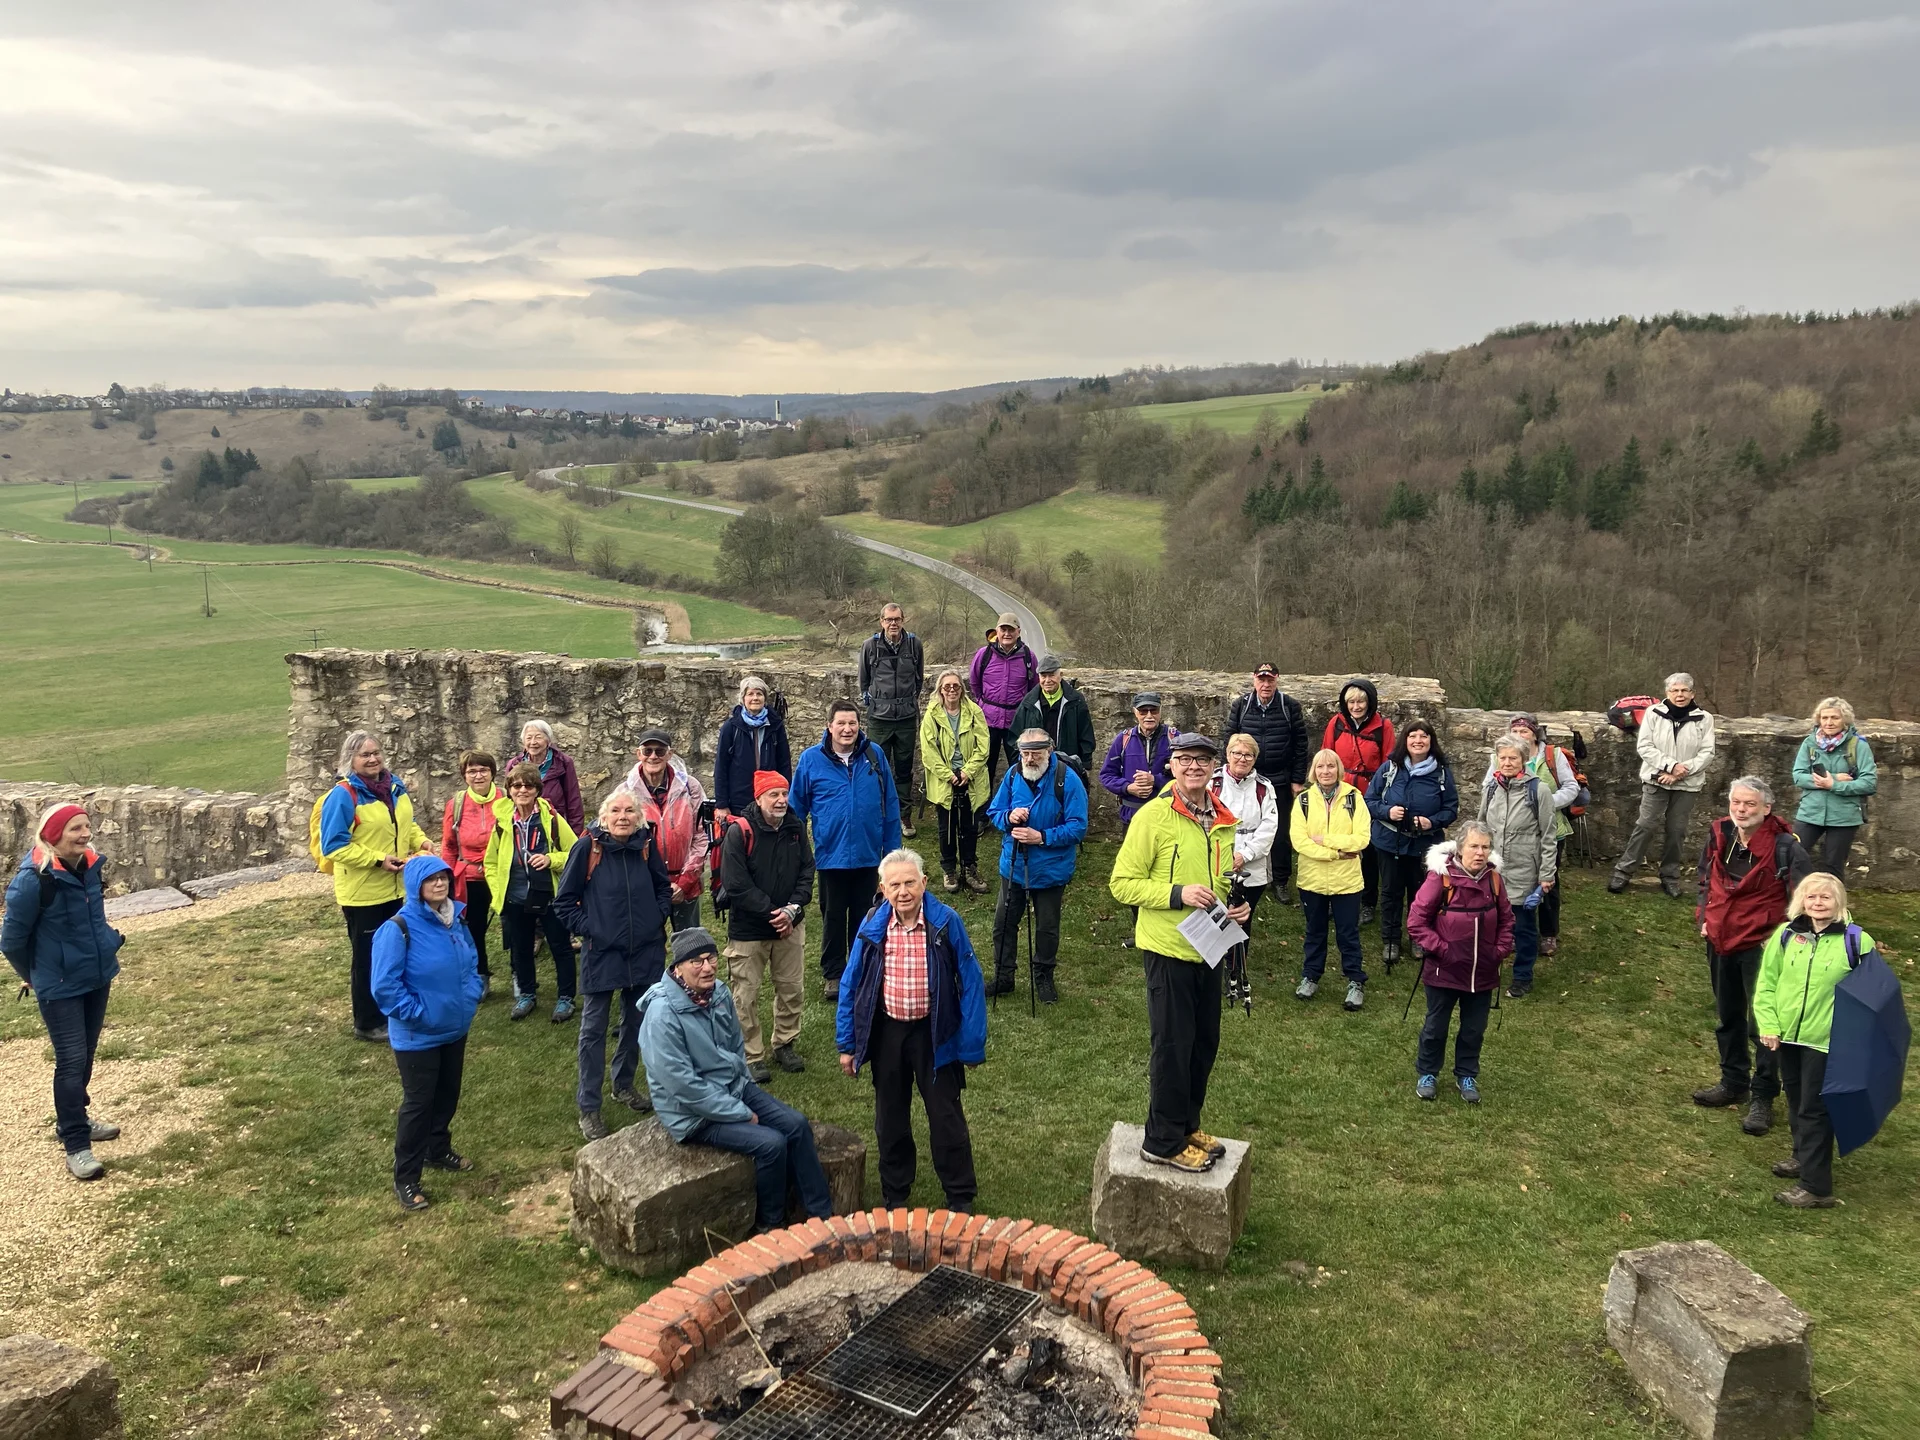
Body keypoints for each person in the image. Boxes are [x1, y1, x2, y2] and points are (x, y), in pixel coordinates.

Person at [1108, 732, 1251, 1173]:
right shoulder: (1153, 817)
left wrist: (1233, 906)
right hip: (1168, 948)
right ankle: (1162, 1140)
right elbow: (1122, 884)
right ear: (1171, 766)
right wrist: (1177, 893)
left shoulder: (1222, 819)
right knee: (1172, 1045)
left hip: (1209, 947)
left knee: (1203, 1044)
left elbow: (1219, 880)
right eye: (1185, 760)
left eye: (1203, 761)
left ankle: (1187, 1125)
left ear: (1214, 768)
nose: (1194, 767)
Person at [639, 928, 832, 1233]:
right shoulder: (662, 1015)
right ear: (678, 967)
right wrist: (740, 1112)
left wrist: (743, 1088)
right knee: (771, 1144)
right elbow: (682, 1086)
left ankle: (823, 1219)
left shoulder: (718, 993)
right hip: (691, 1114)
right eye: (697, 961)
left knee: (796, 1125)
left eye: (711, 957)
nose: (708, 967)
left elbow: (734, 1046)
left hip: (734, 1088)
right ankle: (770, 1226)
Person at [837, 849, 987, 1212]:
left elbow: (971, 981)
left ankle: (960, 1195)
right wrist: (848, 1043)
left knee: (945, 1116)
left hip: (935, 1033)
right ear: (882, 889)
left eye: (909, 883)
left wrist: (969, 1046)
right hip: (889, 1032)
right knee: (890, 1117)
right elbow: (851, 982)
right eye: (894, 885)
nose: (902, 892)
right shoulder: (872, 923)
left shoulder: (947, 921)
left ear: (924, 883)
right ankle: (895, 1193)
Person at [3, 805, 125, 1182]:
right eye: (75, 828)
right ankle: (75, 1143)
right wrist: (35, 976)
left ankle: (78, 1118)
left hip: (96, 974)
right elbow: (11, 941)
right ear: (54, 834)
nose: (85, 833)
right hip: (59, 984)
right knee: (71, 1062)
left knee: (85, 1055)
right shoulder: (33, 879)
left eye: (87, 826)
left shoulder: (90, 864)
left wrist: (106, 944)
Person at [1754, 872, 1885, 1209]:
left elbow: (1875, 996)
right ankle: (1803, 1156)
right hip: (1788, 1036)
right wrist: (1769, 1025)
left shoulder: (1858, 941)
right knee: (1797, 1100)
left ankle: (1816, 1188)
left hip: (1828, 1042)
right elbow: (1767, 983)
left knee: (1814, 1109)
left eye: (1825, 898)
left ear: (1838, 902)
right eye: (1811, 897)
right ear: (1802, 901)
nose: (1818, 903)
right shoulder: (1785, 935)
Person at [1692, 776, 1812, 1136]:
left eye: (1750, 805)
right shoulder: (1719, 835)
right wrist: (1705, 916)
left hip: (1761, 947)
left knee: (1764, 1025)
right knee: (1728, 1015)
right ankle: (1733, 1082)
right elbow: (1704, 878)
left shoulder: (1786, 847)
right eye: (1736, 803)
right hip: (1719, 938)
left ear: (1766, 809)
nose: (1741, 810)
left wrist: (1780, 939)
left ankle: (1763, 1095)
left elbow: (1803, 898)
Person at [555, 787, 675, 1141]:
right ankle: (588, 1107)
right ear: (603, 818)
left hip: (645, 949)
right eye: (615, 812)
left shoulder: (646, 846)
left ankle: (623, 1085)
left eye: (629, 811)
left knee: (635, 1023)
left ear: (638, 817)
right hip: (603, 952)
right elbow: (564, 903)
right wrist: (592, 930)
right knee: (593, 1031)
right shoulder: (587, 848)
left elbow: (662, 887)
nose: (623, 817)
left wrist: (658, 917)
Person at [371, 856, 485, 1212]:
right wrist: (420, 1015)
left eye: (444, 878)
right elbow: (385, 987)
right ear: (415, 885)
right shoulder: (398, 928)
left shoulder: (455, 919)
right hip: (418, 1035)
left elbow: (469, 963)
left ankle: (438, 1150)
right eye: (431, 879)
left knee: (447, 1094)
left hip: (454, 1026)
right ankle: (407, 1177)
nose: (440, 885)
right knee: (418, 1105)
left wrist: (472, 993)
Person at [320, 731, 434, 1042]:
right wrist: (377, 859)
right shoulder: (343, 796)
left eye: (376, 752)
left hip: (398, 890)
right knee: (369, 957)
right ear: (350, 761)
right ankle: (368, 1022)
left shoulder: (394, 786)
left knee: (398, 953)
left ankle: (394, 1011)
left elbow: (405, 824)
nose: (372, 759)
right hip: (363, 894)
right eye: (364, 755)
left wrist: (420, 840)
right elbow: (333, 846)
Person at [789, 700, 902, 996]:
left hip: (868, 854)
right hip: (831, 855)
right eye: (841, 723)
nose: (847, 729)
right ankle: (834, 974)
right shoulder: (811, 760)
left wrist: (892, 856)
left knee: (866, 916)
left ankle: (862, 967)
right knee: (834, 917)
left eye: (852, 723)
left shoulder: (874, 756)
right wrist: (795, 848)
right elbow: (796, 807)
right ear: (829, 726)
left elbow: (890, 805)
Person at [1406, 822, 1513, 1105]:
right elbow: (1416, 923)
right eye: (1474, 846)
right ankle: (1427, 1073)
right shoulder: (1440, 879)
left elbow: (1507, 921)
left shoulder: (1494, 880)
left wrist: (1499, 951)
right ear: (1460, 847)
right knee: (1436, 1027)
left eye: (1485, 847)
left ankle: (1466, 1074)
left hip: (1483, 972)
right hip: (1444, 971)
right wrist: (1445, 951)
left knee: (1474, 1029)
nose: (1480, 853)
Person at [719, 771, 815, 1083]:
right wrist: (773, 912)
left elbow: (806, 870)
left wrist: (792, 910)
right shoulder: (740, 832)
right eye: (773, 795)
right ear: (759, 799)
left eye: (784, 794)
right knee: (745, 995)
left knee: (791, 989)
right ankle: (752, 1054)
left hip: (789, 925)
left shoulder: (795, 828)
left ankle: (784, 1043)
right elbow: (736, 884)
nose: (781, 800)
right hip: (749, 929)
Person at [985, 729, 1090, 1002]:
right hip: (1014, 865)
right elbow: (994, 813)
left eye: (1036, 753)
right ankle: (1004, 976)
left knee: (1046, 927)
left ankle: (1043, 977)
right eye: (1025, 753)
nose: (1030, 759)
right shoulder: (1012, 775)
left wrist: (1041, 837)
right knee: (1003, 924)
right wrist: (1009, 817)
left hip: (1051, 868)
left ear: (1050, 751)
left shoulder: (1067, 779)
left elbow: (1078, 827)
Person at [483, 763, 580, 1023]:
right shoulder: (503, 823)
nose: (522, 790)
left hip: (549, 895)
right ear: (509, 790)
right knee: (521, 948)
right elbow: (490, 863)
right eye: (517, 786)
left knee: (561, 947)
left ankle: (566, 997)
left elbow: (575, 852)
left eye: (528, 785)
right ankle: (526, 994)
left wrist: (551, 860)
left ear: (538, 789)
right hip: (515, 896)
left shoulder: (552, 820)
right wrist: (497, 893)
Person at [1478, 715, 1579, 956]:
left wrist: (1545, 803)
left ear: (1535, 734)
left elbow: (1571, 787)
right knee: (1503, 893)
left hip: (1544, 831)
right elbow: (1486, 795)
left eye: (1524, 730)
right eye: (1515, 730)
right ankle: (1508, 936)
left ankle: (1548, 934)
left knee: (1546, 886)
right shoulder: (1500, 761)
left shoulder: (1552, 757)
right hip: (1505, 841)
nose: (1519, 734)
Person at [1609, 673, 1716, 898]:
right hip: (1656, 779)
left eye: (1684, 690)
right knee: (1645, 825)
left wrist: (1679, 772)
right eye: (1675, 691)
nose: (1680, 695)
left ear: (1692, 693)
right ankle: (1624, 872)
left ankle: (1670, 876)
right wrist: (1670, 766)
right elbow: (1645, 746)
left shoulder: (1704, 718)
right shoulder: (1653, 713)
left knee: (1676, 831)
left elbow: (1707, 753)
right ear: (1667, 694)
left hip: (1687, 783)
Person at [1366, 722, 1459, 971]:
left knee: (1423, 895)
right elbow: (1370, 800)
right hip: (1389, 842)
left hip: (1426, 845)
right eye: (1413, 736)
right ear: (1404, 740)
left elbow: (1451, 808)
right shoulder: (1389, 769)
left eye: (1424, 736)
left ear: (1431, 741)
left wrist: (1433, 821)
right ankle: (1391, 940)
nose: (1418, 740)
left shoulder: (1441, 772)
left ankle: (1419, 939)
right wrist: (1387, 812)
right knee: (1390, 892)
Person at [1291, 747, 1371, 1010]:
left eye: (1331, 766)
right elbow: (1300, 842)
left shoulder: (1354, 798)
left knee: (1348, 934)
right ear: (1313, 771)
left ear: (1339, 769)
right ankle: (1311, 976)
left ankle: (1355, 981)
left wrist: (1325, 841)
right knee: (1315, 932)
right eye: (1320, 767)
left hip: (1347, 882)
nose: (1325, 772)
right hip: (1312, 880)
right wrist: (1338, 854)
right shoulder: (1303, 800)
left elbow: (1361, 839)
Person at [1480, 735, 1558, 1000]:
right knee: (1489, 925)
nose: (1507, 762)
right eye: (1503, 757)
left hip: (1524, 870)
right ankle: (1488, 973)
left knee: (1523, 928)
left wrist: (1547, 874)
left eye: (1513, 757)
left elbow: (1548, 835)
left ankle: (1523, 976)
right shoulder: (1491, 788)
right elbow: (1480, 828)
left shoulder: (1539, 790)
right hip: (1491, 872)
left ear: (1524, 760)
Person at [1225, 663, 1309, 904]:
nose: (1265, 684)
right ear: (1254, 680)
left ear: (1277, 680)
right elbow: (1230, 738)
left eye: (1270, 679)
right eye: (1261, 679)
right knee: (1241, 824)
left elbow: (1300, 744)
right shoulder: (1241, 705)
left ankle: (1281, 881)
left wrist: (1297, 778)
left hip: (1279, 777)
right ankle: (1235, 870)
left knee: (1280, 833)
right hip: (1246, 776)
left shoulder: (1288, 706)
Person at [622, 728, 710, 932]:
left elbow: (703, 834)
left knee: (690, 947)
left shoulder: (690, 787)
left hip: (686, 882)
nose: (653, 756)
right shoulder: (625, 792)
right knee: (648, 948)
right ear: (638, 754)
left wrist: (686, 881)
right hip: (645, 886)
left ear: (670, 755)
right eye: (648, 751)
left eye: (660, 751)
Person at [1322, 679, 1394, 924]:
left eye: (1361, 701)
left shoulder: (1383, 727)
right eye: (1351, 701)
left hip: (1369, 792)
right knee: (1338, 843)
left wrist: (1380, 794)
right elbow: (1326, 756)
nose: (1356, 706)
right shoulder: (1336, 724)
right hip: (1339, 790)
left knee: (1368, 848)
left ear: (1370, 702)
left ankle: (1367, 902)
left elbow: (1388, 764)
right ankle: (1336, 895)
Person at [440, 749, 510, 1000]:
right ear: (464, 775)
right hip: (469, 876)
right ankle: (480, 975)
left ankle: (519, 976)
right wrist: (447, 877)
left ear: (492, 773)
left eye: (483, 770)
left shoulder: (506, 798)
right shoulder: (456, 804)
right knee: (474, 928)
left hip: (504, 872)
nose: (478, 775)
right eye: (472, 771)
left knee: (513, 925)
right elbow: (449, 845)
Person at [918, 667, 991, 893]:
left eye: (956, 686)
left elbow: (983, 746)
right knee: (946, 828)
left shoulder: (974, 712)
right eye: (947, 686)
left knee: (969, 826)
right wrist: (948, 775)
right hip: (944, 780)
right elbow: (928, 752)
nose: (951, 690)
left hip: (971, 778)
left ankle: (970, 868)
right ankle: (949, 869)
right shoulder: (932, 715)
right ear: (940, 690)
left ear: (962, 689)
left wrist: (967, 772)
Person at [1791, 697, 1877, 878]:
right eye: (1825, 718)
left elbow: (1869, 783)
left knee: (1833, 866)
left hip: (1844, 816)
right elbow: (1798, 776)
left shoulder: (1858, 745)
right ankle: (1794, 902)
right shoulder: (1809, 743)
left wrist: (1834, 786)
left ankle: (1834, 905)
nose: (1829, 723)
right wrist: (1831, 780)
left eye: (1834, 718)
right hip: (1810, 812)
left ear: (1844, 720)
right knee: (1792, 857)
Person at [860, 602, 926, 838]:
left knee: (904, 768)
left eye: (897, 619)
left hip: (906, 718)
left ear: (903, 620)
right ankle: (878, 814)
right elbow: (864, 683)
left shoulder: (914, 644)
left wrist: (906, 702)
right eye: (888, 620)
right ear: (881, 622)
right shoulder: (870, 646)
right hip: (879, 719)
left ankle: (904, 815)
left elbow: (918, 680)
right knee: (876, 767)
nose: (893, 624)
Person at [1210, 733, 1280, 934]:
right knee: (1215, 916)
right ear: (1228, 754)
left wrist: (1244, 855)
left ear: (1255, 759)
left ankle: (1238, 964)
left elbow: (1269, 827)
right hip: (1217, 859)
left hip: (1252, 865)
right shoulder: (1213, 783)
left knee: (1242, 920)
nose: (1242, 759)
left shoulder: (1263, 787)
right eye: (1237, 753)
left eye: (1248, 755)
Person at [969, 613, 1040, 788]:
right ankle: (983, 810)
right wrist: (983, 704)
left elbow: (1034, 687)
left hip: (1016, 723)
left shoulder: (1028, 657)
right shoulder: (983, 654)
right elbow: (974, 682)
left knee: (1020, 767)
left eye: (1011, 630)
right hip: (987, 721)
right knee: (985, 767)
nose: (1007, 633)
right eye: (1003, 629)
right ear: (997, 631)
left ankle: (1018, 808)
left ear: (1018, 632)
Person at [712, 676, 792, 820]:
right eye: (750, 694)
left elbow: (784, 763)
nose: (755, 698)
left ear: (765, 698)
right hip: (739, 800)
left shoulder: (775, 726)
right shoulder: (731, 727)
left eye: (759, 694)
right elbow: (721, 766)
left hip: (769, 798)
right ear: (743, 699)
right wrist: (722, 804)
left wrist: (785, 796)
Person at [1100, 692, 1176, 831]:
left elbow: (1186, 776)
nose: (1149, 716)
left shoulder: (1174, 739)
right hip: (1132, 815)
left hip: (1167, 814)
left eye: (1153, 710)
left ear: (1160, 711)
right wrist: (1128, 788)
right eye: (1143, 711)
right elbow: (1107, 775)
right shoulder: (1123, 740)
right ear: (1135, 712)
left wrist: (1155, 780)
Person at [1010, 654, 1096, 777]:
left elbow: (1086, 735)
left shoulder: (1075, 701)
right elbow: (1014, 736)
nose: (1047, 680)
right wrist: (1019, 764)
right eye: (1043, 676)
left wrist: (1085, 765)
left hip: (1067, 764)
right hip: (1035, 765)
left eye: (1051, 675)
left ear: (1060, 676)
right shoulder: (1029, 702)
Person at [509, 719, 586, 835]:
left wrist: (574, 835)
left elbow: (573, 801)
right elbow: (509, 800)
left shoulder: (563, 763)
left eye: (538, 737)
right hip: (523, 828)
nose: (533, 742)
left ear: (548, 741)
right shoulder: (514, 765)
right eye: (529, 738)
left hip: (555, 826)